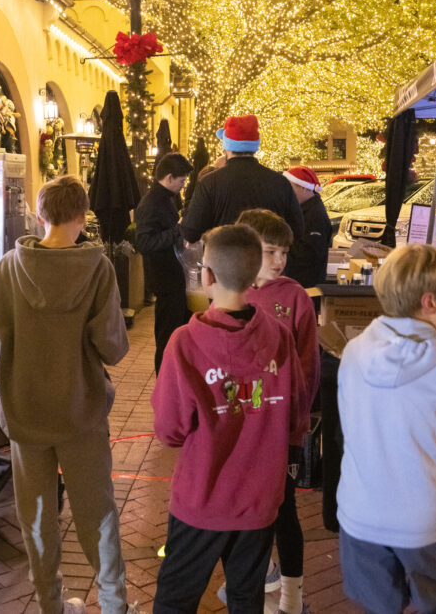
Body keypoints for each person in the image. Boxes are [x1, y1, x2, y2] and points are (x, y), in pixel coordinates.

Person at [0, 175, 135, 614]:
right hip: (80, 410)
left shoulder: (9, 267)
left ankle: (51, 604)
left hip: (24, 407)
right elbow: (112, 346)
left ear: (40, 214)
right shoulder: (98, 268)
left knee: (35, 515)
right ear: (83, 215)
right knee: (97, 512)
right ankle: (113, 603)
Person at [152, 224, 306, 614]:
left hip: (201, 501)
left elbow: (169, 430)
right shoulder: (280, 337)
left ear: (206, 276)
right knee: (246, 599)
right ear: (255, 272)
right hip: (259, 502)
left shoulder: (184, 343)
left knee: (175, 601)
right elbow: (296, 416)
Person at [337, 244, 436, 614]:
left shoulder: (353, 350)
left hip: (359, 513)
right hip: (423, 519)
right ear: (429, 302)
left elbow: (349, 419)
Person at [235, 209, 320, 614]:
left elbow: (307, 367)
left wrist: (296, 423)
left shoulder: (295, 297)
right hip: (240, 430)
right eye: (271, 251)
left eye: (283, 252)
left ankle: (292, 597)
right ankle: (259, 584)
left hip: (281, 429)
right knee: (247, 511)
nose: (280, 260)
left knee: (285, 511)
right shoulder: (233, 294)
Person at [180, 114, 304, 243]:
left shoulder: (210, 183)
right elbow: (297, 230)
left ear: (226, 146)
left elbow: (190, 232)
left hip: (224, 258)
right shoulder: (280, 183)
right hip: (267, 260)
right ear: (255, 146)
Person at [134, 152, 194, 374]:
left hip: (170, 278)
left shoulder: (164, 199)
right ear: (169, 177)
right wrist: (177, 230)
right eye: (181, 180)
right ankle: (165, 381)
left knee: (172, 333)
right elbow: (144, 242)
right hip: (164, 279)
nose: (183, 184)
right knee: (167, 336)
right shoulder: (152, 203)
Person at [282, 166, 333, 289]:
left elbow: (309, 254)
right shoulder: (305, 210)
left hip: (307, 286)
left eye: (290, 188)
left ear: (304, 188)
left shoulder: (315, 216)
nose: (287, 193)